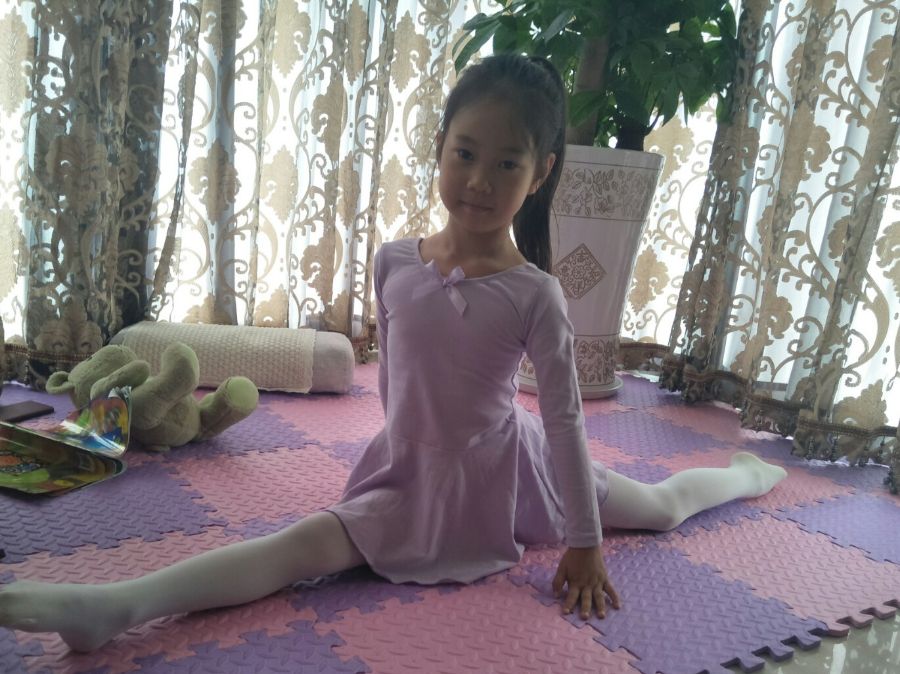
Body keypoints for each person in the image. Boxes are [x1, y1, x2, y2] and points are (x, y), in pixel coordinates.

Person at [0, 54, 787, 653]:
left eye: (507, 163)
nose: (479, 180)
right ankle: (116, 606)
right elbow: (402, 383)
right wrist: (405, 458)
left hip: (517, 471)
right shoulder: (393, 262)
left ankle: (747, 474)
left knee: (659, 509)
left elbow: (565, 422)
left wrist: (584, 542)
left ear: (541, 171)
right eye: (465, 153)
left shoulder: (535, 294)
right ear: (440, 147)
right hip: (409, 471)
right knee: (300, 546)